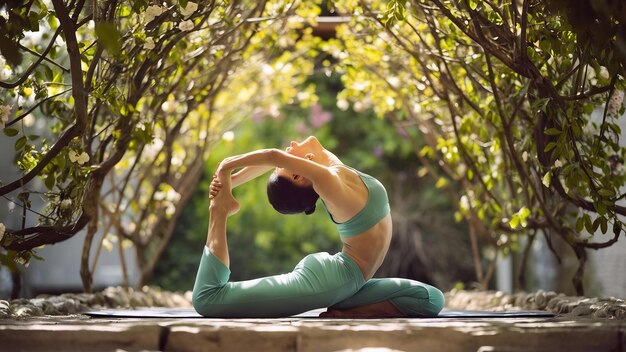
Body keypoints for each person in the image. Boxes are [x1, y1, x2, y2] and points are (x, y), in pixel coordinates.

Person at [192, 136, 444, 318]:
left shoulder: (329, 164)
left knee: (431, 298)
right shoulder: (327, 180)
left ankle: (348, 311)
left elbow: (275, 159)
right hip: (330, 281)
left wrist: (231, 182)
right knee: (208, 300)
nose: (290, 144)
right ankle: (219, 212)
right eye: (288, 163)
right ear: (299, 176)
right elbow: (273, 157)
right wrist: (225, 167)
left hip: (346, 282)